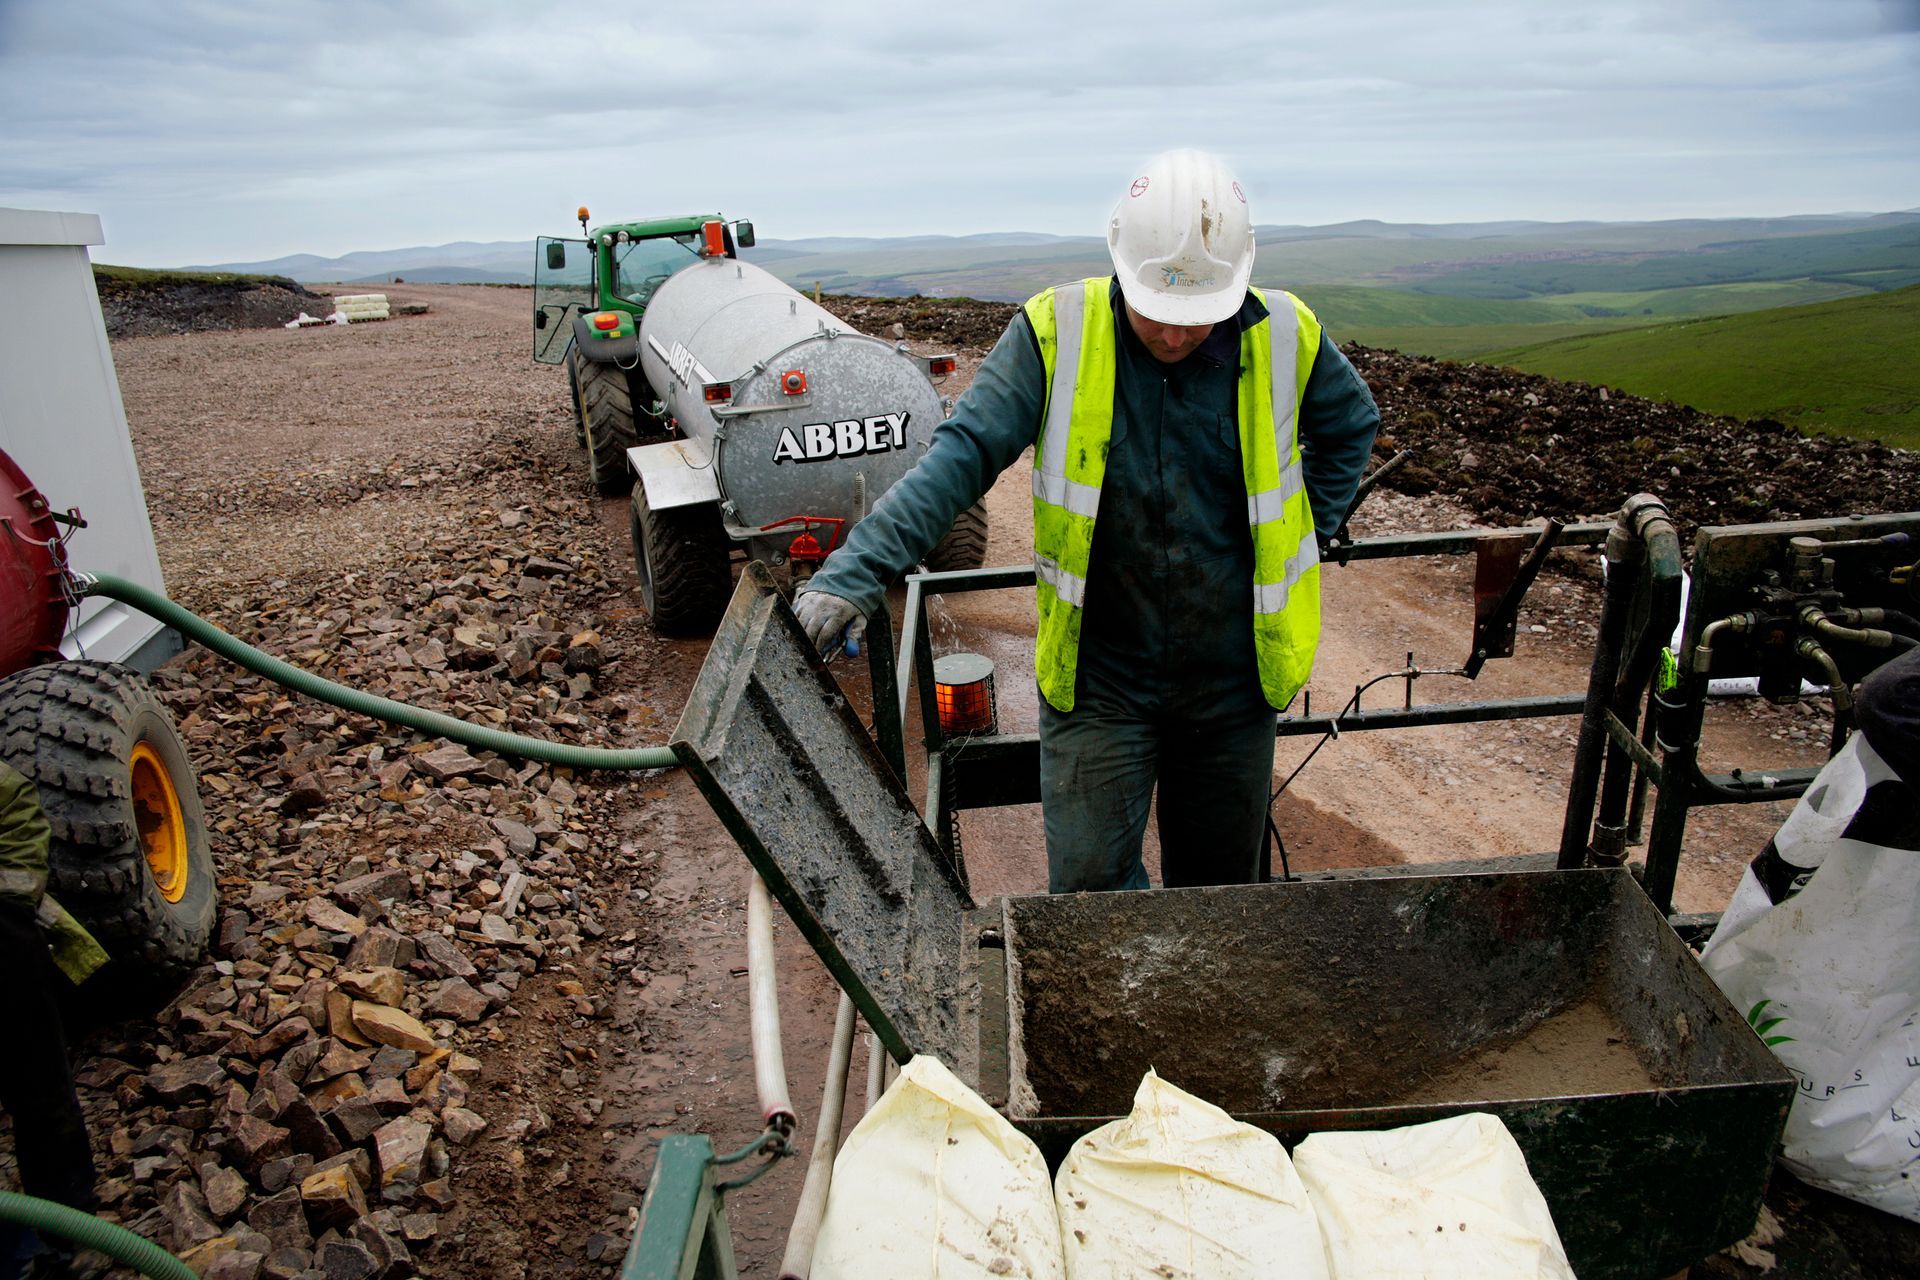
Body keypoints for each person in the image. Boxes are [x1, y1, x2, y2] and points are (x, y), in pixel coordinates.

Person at [795, 149, 1379, 893]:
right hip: (1103, 679)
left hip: (1234, 682)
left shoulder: (1285, 332)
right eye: (1158, 314)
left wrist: (1309, 531)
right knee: (1092, 895)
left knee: (1223, 897)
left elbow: (1350, 425)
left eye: (1197, 318)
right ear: (1122, 270)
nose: (1174, 336)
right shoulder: (1053, 333)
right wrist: (855, 571)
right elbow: (960, 457)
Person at [0, 763, 101, 1279]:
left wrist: (12, 902)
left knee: (41, 1091)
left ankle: (71, 1227)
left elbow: (17, 814)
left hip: (6, 946)